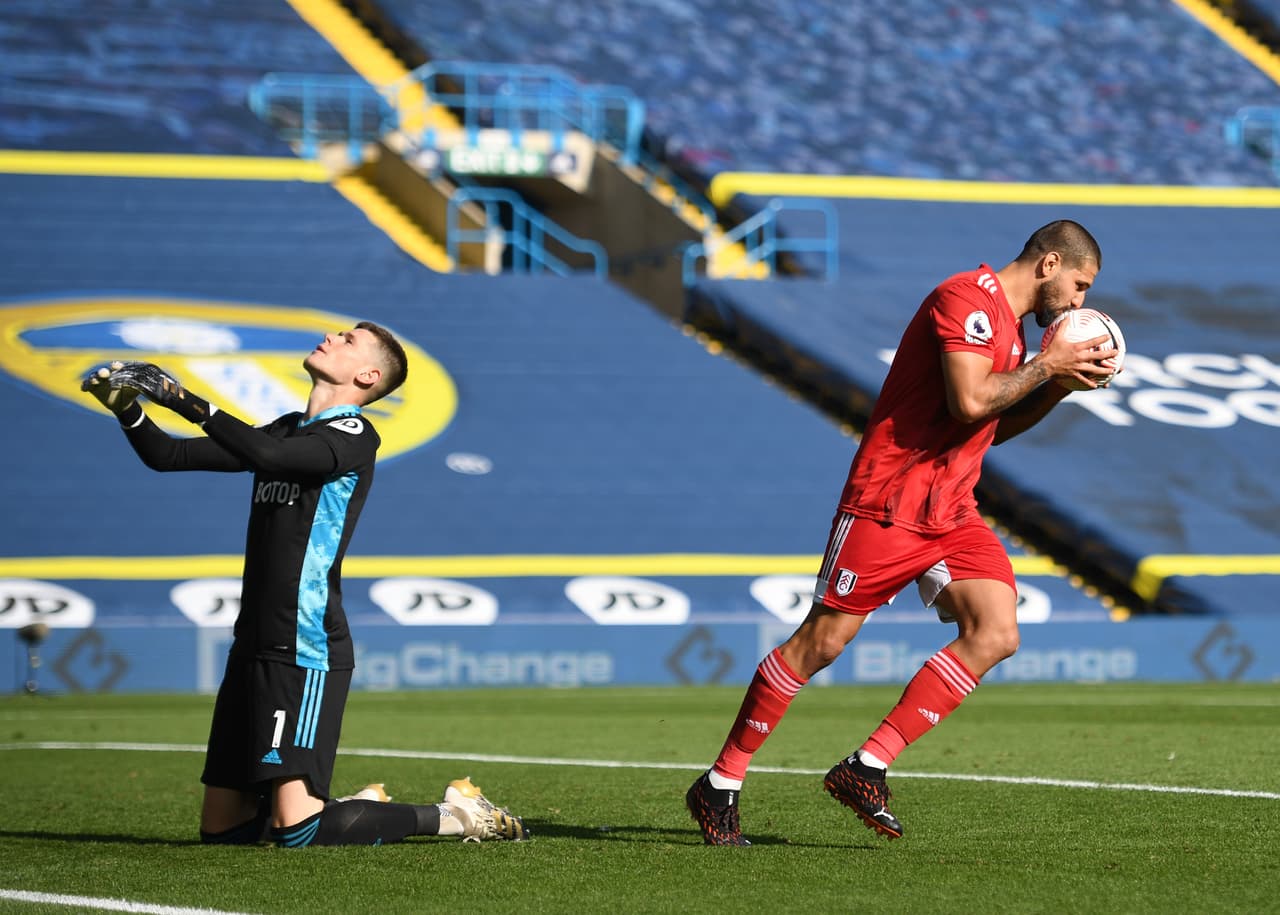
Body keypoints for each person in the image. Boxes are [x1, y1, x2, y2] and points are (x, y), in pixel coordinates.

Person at [686, 220, 1116, 845]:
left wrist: (1054, 389)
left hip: (952, 510)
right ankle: (720, 783)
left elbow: (987, 429)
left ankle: (866, 766)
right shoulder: (965, 299)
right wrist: (1050, 365)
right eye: (1079, 285)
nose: (1079, 302)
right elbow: (970, 401)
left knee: (996, 632)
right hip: (888, 503)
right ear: (1049, 264)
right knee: (822, 645)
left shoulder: (1018, 335)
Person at [83, 322, 526, 846]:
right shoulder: (285, 429)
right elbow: (168, 457)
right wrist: (127, 410)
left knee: (297, 829)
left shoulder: (355, 434)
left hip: (303, 641)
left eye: (348, 340)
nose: (330, 337)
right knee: (222, 830)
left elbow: (272, 460)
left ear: (367, 375)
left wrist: (185, 400)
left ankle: (454, 815)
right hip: (252, 640)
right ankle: (348, 809)